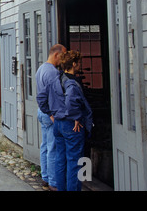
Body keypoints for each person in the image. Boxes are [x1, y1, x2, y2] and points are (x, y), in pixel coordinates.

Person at [50, 50, 93, 191]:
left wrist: (51, 113)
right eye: (79, 63)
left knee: (60, 159)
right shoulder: (72, 83)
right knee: (74, 162)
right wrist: (75, 116)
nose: (80, 65)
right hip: (71, 125)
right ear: (74, 64)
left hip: (58, 123)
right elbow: (71, 100)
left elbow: (43, 97)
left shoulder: (56, 79)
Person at [35, 44, 66, 191]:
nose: (64, 59)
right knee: (53, 148)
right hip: (49, 113)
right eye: (63, 55)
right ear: (56, 55)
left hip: (41, 111)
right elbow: (54, 96)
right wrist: (53, 114)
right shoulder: (53, 72)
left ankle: (45, 178)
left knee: (45, 146)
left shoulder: (41, 69)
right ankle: (54, 183)